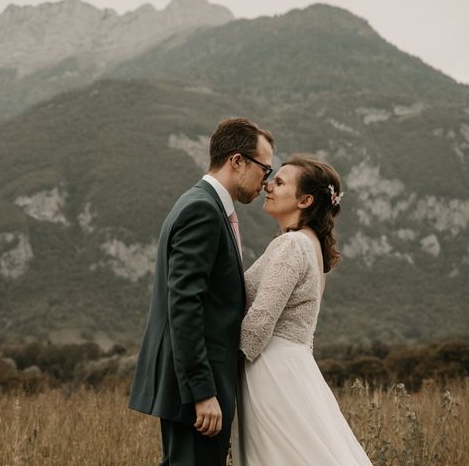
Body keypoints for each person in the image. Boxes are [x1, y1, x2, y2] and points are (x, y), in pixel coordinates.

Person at [129, 117, 275, 466]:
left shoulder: (207, 206)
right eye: (264, 169)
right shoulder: (202, 210)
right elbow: (184, 304)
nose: (265, 182)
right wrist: (203, 392)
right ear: (237, 161)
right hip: (198, 388)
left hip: (199, 382)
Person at [232, 154, 373, 465]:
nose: (268, 185)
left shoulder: (292, 245)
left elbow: (258, 325)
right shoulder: (310, 246)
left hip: (271, 373)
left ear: (305, 200)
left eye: (280, 182)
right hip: (293, 367)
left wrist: (215, 374)